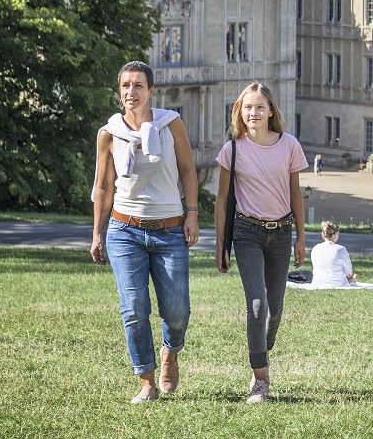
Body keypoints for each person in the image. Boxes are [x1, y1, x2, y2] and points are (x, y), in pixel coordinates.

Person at [90, 61, 200, 403]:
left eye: (138, 85)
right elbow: (103, 186)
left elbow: (187, 170)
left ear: (151, 91)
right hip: (125, 231)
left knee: (177, 310)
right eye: (125, 86)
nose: (131, 92)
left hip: (170, 231)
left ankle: (171, 351)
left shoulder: (171, 124)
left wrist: (192, 214)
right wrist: (97, 233)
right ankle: (147, 382)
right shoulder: (109, 133)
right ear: (119, 91)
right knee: (134, 307)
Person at [214, 82, 307, 404]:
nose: (253, 112)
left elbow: (295, 193)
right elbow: (223, 199)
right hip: (247, 233)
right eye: (247, 107)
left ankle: (260, 354)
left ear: (271, 112)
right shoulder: (233, 150)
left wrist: (300, 238)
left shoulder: (289, 145)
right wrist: (220, 245)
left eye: (259, 107)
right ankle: (261, 379)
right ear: (239, 112)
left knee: (276, 309)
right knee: (257, 304)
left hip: (281, 234)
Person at [309, 220, 355, 287]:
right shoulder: (340, 249)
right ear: (336, 234)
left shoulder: (315, 249)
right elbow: (348, 271)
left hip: (317, 282)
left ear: (323, 234)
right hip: (338, 283)